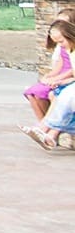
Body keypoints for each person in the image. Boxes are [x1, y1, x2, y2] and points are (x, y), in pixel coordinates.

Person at [22, 19, 75, 151]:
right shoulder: (70, 50)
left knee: (64, 97)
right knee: (60, 95)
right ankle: (48, 133)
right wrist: (55, 79)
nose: (60, 46)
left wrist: (61, 81)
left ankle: (44, 129)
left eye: (61, 41)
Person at [23, 7, 75, 120]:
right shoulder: (63, 45)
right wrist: (50, 75)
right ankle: (42, 122)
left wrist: (57, 79)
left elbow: (72, 70)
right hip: (61, 75)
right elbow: (60, 63)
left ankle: (48, 124)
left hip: (68, 77)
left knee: (44, 94)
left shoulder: (70, 45)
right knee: (31, 93)